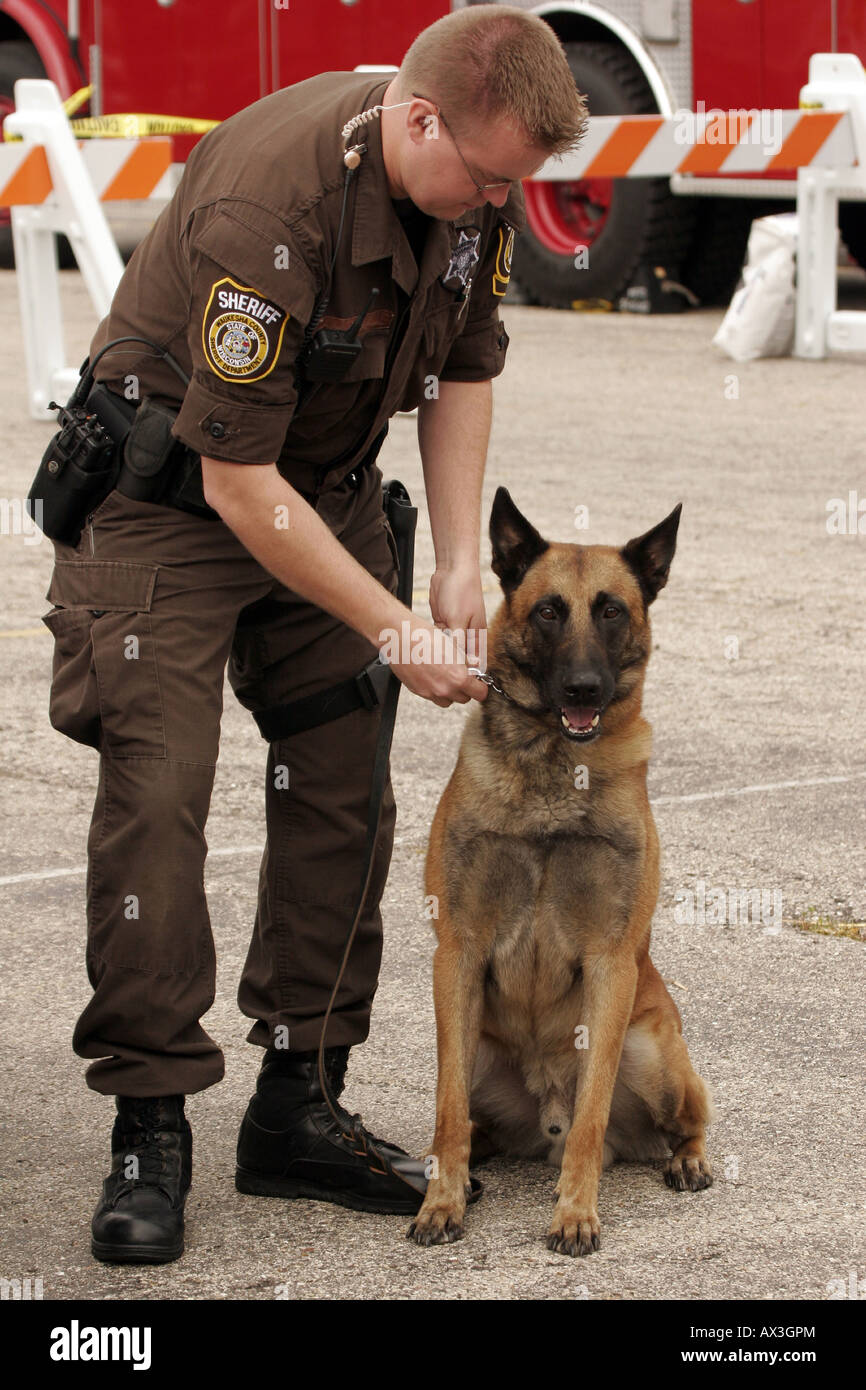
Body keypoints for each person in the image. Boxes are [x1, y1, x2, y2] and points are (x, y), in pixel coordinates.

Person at [40, 3, 587, 1264]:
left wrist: (457, 563)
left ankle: (299, 1100)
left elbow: (466, 365)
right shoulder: (267, 211)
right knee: (160, 793)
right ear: (417, 119)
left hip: (323, 490)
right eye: (488, 177)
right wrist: (397, 625)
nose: (499, 204)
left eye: (513, 183)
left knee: (341, 783)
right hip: (170, 499)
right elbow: (236, 484)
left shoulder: (467, 187)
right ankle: (149, 1117)